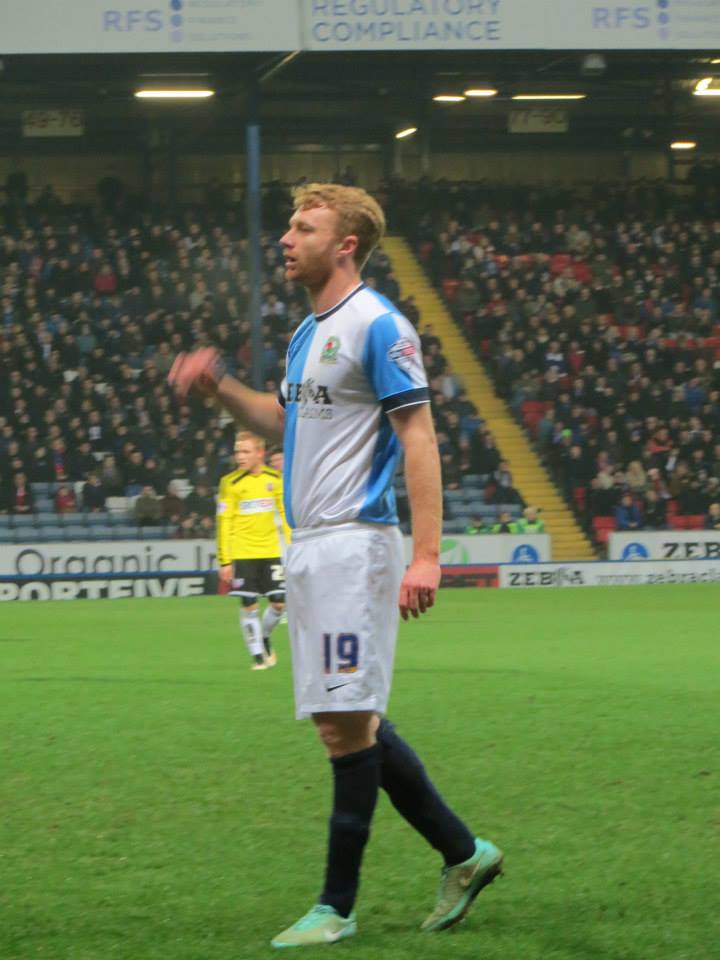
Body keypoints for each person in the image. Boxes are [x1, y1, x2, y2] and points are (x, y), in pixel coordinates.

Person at [169, 183, 502, 948]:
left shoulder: (379, 325)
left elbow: (419, 437)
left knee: (342, 727)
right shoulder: (306, 334)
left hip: (357, 543)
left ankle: (336, 906)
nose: (286, 238)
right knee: (348, 717)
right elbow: (282, 419)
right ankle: (465, 853)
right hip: (310, 546)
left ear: (346, 243)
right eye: (289, 226)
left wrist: (427, 556)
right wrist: (221, 388)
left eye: (303, 227)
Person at [216, 431, 290, 671]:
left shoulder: (275, 479)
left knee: (278, 604)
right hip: (243, 553)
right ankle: (257, 656)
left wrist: (293, 547)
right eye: (238, 451)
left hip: (270, 551)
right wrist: (225, 561)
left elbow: (286, 516)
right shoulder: (230, 483)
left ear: (260, 453)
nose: (240, 456)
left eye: (246, 451)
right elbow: (224, 521)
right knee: (249, 604)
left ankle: (264, 637)